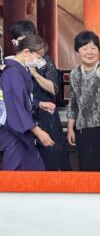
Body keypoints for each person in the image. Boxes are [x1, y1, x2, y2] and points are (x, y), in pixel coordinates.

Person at [10, 20, 70, 171]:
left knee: (52, 151)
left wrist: (35, 74)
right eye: (19, 39)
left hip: (45, 111)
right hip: (26, 112)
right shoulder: (13, 64)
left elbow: (54, 89)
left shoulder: (43, 59)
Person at [0, 34, 55, 170]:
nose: (41, 60)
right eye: (39, 56)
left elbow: (19, 99)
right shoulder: (12, 73)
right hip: (14, 133)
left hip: (18, 132)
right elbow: (15, 107)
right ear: (26, 52)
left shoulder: (17, 71)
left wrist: (39, 104)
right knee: (20, 176)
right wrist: (38, 132)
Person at [67, 31, 100, 171]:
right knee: (87, 168)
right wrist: (70, 128)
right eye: (85, 48)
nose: (90, 52)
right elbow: (73, 103)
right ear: (77, 51)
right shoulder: (74, 74)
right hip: (83, 128)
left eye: (93, 48)